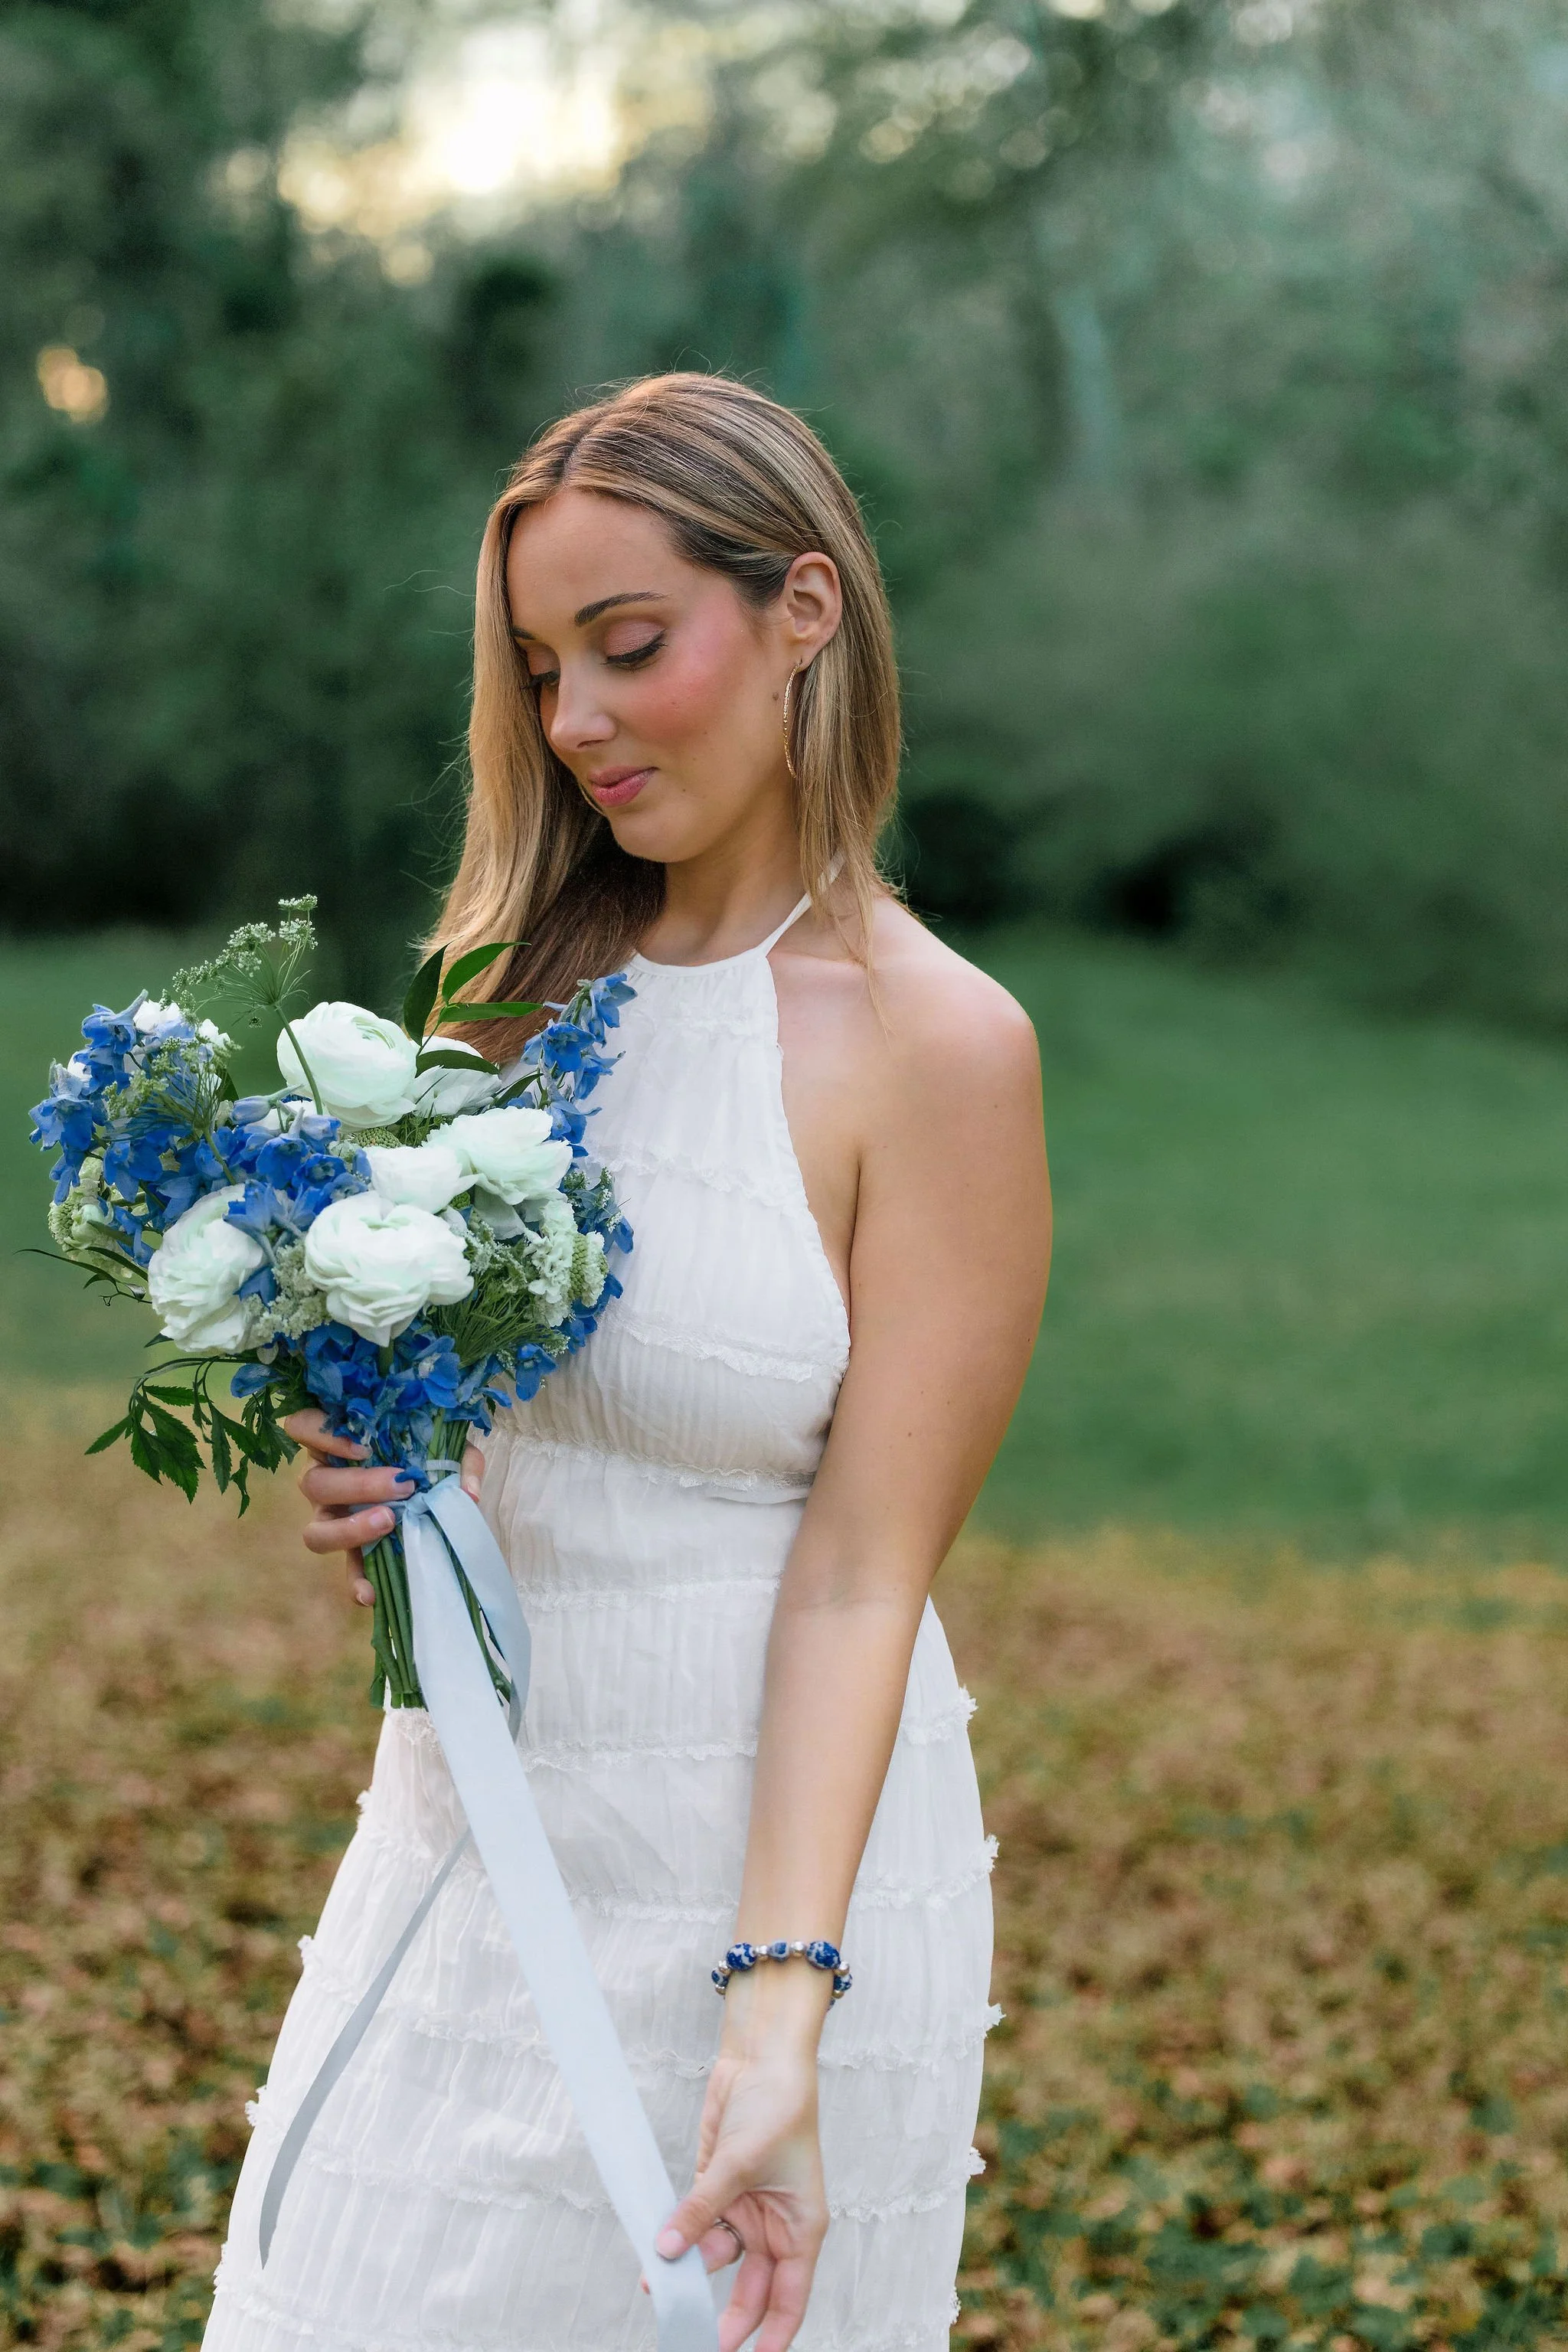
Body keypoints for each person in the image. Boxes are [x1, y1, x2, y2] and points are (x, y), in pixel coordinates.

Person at [204, 373, 1050, 2352]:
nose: (574, 722)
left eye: (629, 648)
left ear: (806, 614)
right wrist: (386, 1490)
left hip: (784, 1883)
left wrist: (779, 2002)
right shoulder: (508, 998)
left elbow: (864, 1571)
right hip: (469, 1838)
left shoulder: (939, 1049)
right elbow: (492, 1456)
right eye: (538, 668)